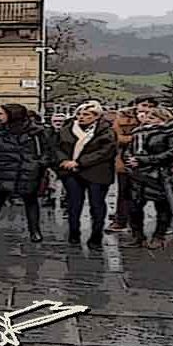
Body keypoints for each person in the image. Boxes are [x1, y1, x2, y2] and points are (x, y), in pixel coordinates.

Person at [0, 104, 53, 243]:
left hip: (27, 170)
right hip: (2, 170)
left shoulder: (36, 132)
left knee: (31, 201)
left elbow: (47, 151)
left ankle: (35, 231)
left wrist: (39, 164)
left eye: (2, 113)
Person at [54, 101, 117, 249]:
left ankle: (96, 235)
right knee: (73, 204)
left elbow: (105, 151)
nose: (81, 117)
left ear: (96, 116)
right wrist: (63, 160)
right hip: (71, 172)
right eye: (79, 114)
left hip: (97, 172)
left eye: (86, 114)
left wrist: (80, 162)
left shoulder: (106, 131)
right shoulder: (67, 129)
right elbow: (57, 147)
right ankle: (74, 232)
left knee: (97, 205)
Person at [125, 106, 173, 249]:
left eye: (152, 116)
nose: (147, 118)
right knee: (134, 206)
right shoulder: (138, 131)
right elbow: (130, 149)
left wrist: (146, 160)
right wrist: (129, 160)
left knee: (162, 207)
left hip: (161, 174)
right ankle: (137, 236)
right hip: (138, 174)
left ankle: (159, 235)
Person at [107, 106, 139, 233]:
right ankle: (122, 219)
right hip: (125, 160)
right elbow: (117, 139)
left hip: (146, 162)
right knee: (124, 191)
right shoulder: (121, 121)